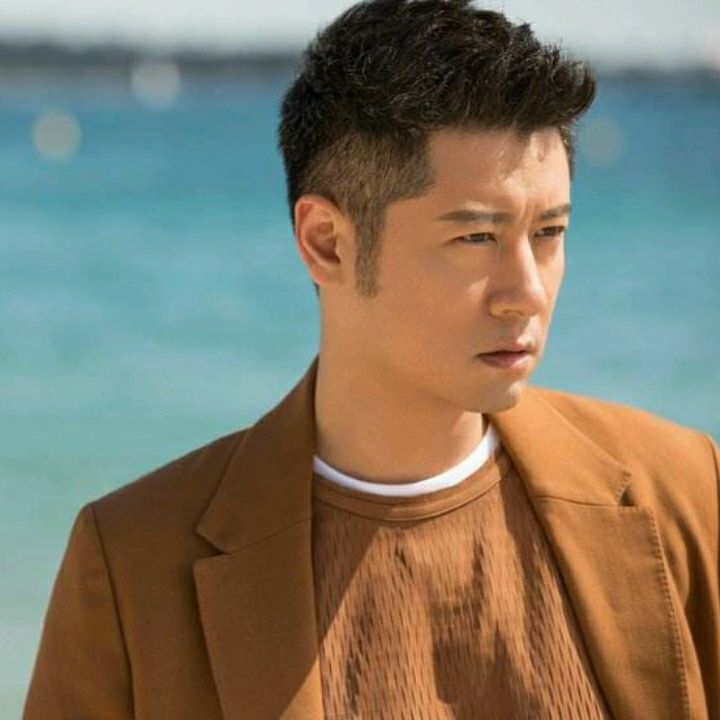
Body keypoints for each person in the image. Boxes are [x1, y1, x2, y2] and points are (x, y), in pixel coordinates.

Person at [24, 1, 719, 718]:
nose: (528, 293)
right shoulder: (134, 563)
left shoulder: (681, 491)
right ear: (326, 242)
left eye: (549, 232)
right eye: (476, 238)